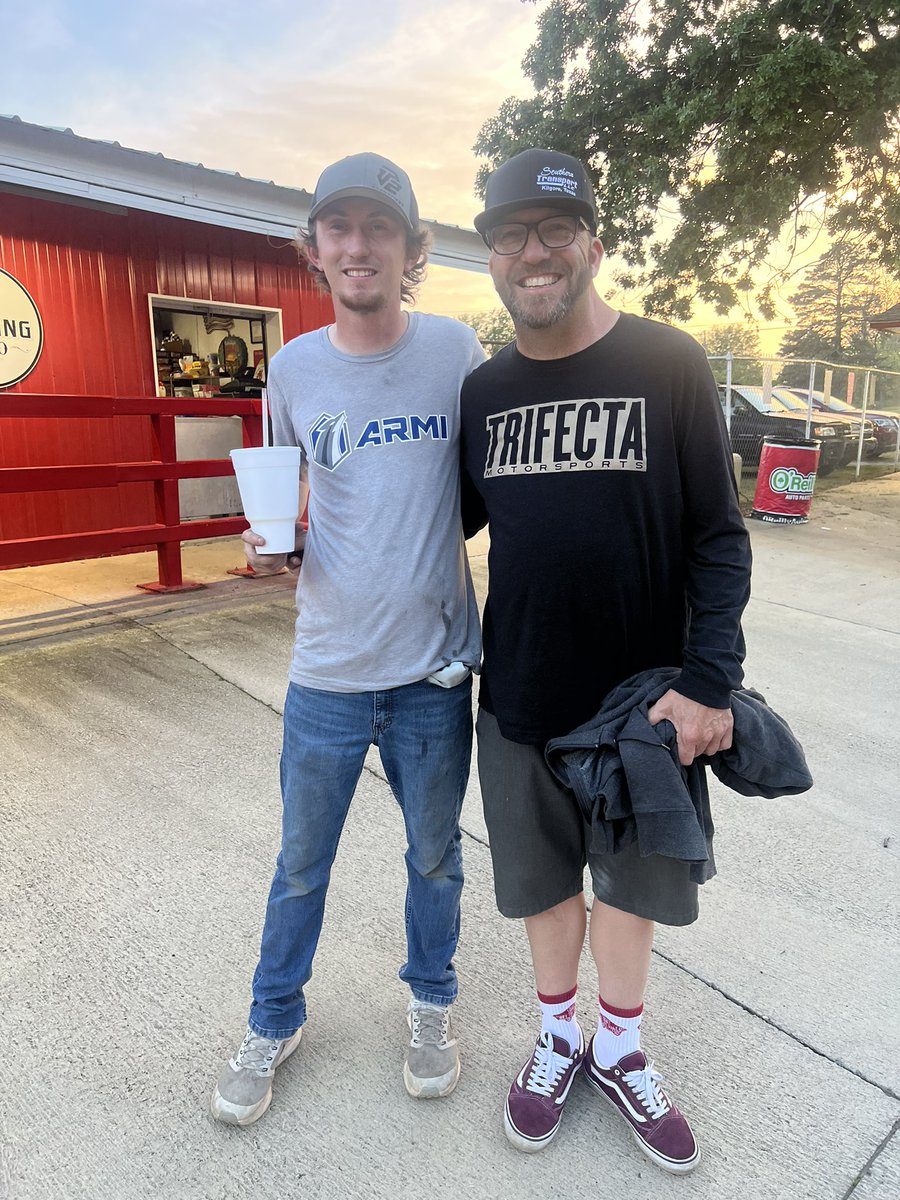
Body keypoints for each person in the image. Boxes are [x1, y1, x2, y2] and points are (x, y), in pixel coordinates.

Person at [459, 149, 752, 1173]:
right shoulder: (483, 392)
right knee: (543, 885)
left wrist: (709, 683)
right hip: (521, 693)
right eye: (510, 236)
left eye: (552, 230)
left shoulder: (667, 362)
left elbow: (719, 535)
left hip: (642, 706)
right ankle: (558, 1040)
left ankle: (620, 1049)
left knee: (630, 888)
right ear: (493, 257)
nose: (531, 253)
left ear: (591, 242)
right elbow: (444, 524)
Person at [211, 153, 484, 1126]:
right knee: (299, 866)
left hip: (433, 674)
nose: (358, 245)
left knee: (435, 858)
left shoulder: (457, 351)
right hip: (326, 669)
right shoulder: (292, 367)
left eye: (379, 227)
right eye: (340, 227)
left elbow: (491, 486)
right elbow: (283, 499)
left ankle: (432, 1003)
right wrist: (267, 547)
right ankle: (272, 1019)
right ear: (316, 247)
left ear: (411, 248)